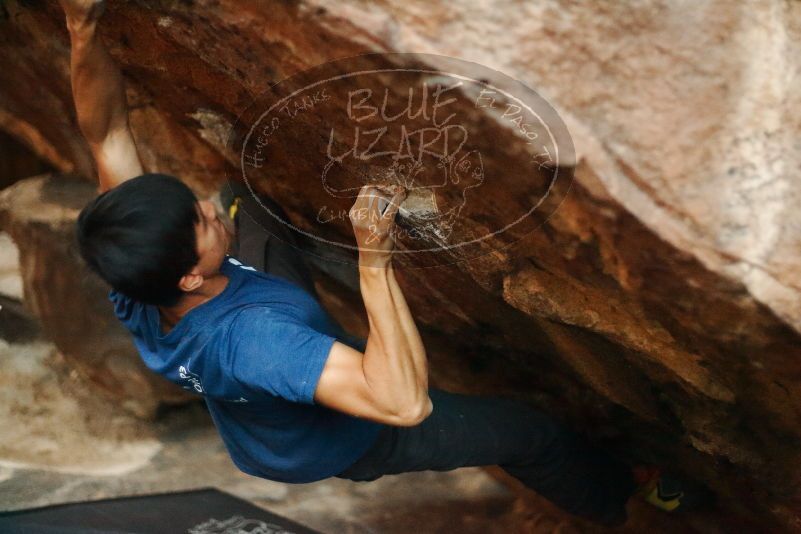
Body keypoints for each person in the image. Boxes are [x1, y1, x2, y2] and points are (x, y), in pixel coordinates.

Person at [59, 0, 694, 526]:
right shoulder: (257, 344)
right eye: (199, 224)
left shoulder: (136, 274)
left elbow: (108, 132)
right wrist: (373, 261)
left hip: (250, 336)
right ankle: (621, 499)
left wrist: (81, 26)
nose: (204, 206)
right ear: (189, 276)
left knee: (245, 205)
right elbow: (403, 404)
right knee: (528, 433)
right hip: (354, 433)